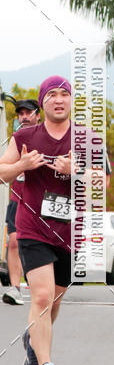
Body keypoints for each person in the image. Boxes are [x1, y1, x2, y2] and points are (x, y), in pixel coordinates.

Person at [0, 76, 109, 365]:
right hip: (32, 227)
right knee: (42, 296)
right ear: (42, 102)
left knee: (56, 297)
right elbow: (2, 172)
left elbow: (102, 182)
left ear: (71, 100)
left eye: (64, 94)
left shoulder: (88, 138)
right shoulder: (24, 136)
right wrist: (21, 164)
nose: (59, 99)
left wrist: (76, 171)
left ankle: (34, 344)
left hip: (69, 230)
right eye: (52, 95)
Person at [2, 99, 41, 305]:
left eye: (29, 113)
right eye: (21, 114)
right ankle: (15, 288)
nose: (24, 117)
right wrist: (19, 165)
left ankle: (43, 285)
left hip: (42, 202)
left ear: (38, 116)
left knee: (42, 244)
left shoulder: (46, 136)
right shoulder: (16, 140)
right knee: (14, 241)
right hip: (18, 198)